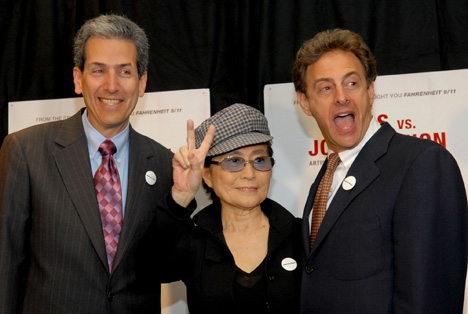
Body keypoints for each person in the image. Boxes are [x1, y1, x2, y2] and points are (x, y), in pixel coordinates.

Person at [0, 14, 213, 314]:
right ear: (78, 78)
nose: (112, 86)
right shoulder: (25, 150)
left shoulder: (166, 164)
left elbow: (165, 270)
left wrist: (180, 200)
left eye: (125, 72)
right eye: (99, 70)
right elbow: (6, 266)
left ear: (142, 83)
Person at [292, 29, 468, 313]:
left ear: (370, 90)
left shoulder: (422, 163)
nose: (341, 97)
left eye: (351, 83)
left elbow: (430, 300)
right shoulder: (326, 176)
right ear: (305, 103)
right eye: (325, 88)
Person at [170, 103, 302, 313]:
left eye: (259, 159)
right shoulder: (194, 239)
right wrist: (181, 197)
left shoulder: (301, 236)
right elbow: (150, 269)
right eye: (233, 161)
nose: (249, 174)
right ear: (207, 176)